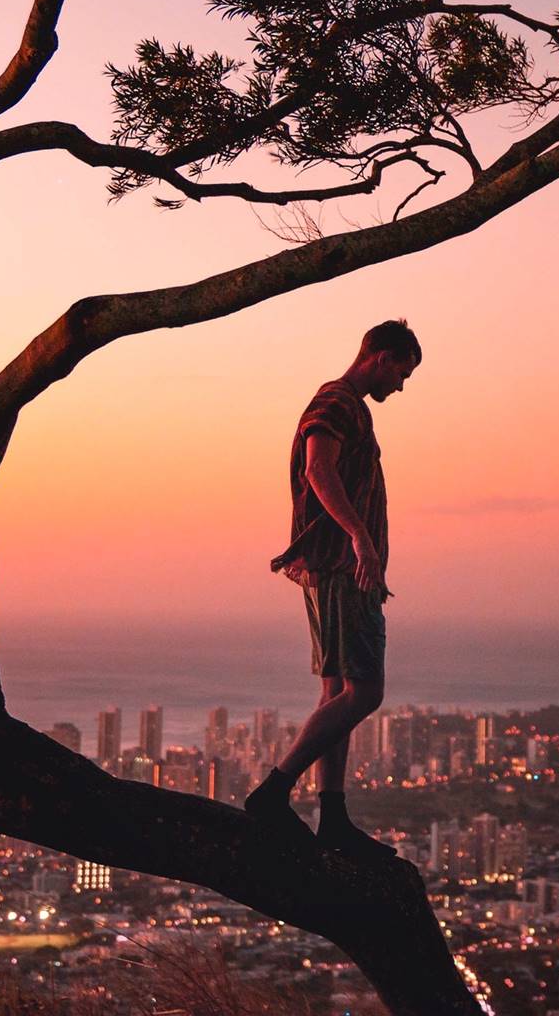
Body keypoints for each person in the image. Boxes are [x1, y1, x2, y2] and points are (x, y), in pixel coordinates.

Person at [245, 319, 421, 861]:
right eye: (402, 372)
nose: (401, 386)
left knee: (336, 694)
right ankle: (275, 790)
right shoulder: (339, 401)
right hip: (344, 567)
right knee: (366, 692)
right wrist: (361, 538)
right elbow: (320, 469)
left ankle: (333, 818)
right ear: (380, 357)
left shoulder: (346, 404)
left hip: (333, 566)